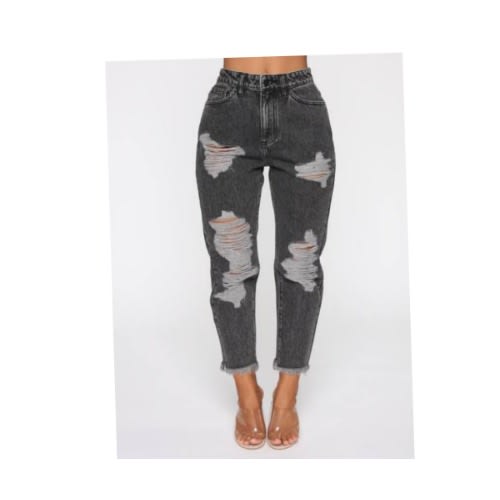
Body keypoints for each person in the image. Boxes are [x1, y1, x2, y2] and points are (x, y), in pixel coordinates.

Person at [195, 55, 336, 449]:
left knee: (302, 262)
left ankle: (287, 395)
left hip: (302, 107)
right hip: (228, 109)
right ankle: (247, 394)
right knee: (231, 262)